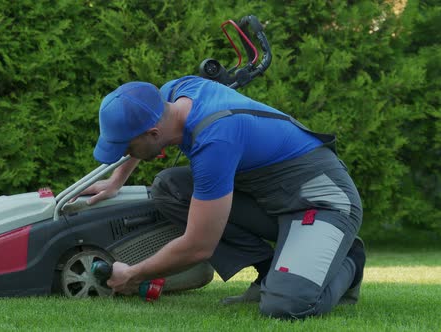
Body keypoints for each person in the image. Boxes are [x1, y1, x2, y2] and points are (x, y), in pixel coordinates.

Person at [82, 76, 365, 319]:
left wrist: (133, 274)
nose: (125, 155)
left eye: (127, 148)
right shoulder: (170, 95)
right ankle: (270, 271)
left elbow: (198, 247)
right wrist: (116, 181)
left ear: (154, 133)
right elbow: (140, 137)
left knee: (286, 305)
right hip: (272, 199)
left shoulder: (215, 141)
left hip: (323, 202)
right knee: (170, 188)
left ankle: (350, 260)